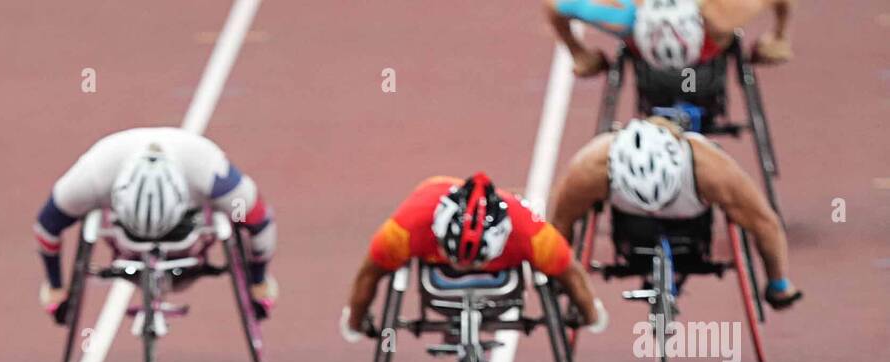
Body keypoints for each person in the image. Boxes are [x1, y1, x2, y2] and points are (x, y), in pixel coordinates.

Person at [548, 117, 801, 309]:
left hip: (692, 232)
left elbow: (765, 223)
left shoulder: (710, 168)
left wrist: (777, 282)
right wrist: (567, 281)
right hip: (631, 234)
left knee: (752, 214)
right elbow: (559, 226)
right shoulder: (589, 168)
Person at [34, 127, 277, 319]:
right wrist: (55, 286)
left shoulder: (211, 173)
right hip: (124, 241)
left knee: (245, 222)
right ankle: (132, 238)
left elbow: (261, 223)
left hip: (189, 234)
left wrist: (258, 280)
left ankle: (175, 237)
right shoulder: (93, 175)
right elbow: (46, 227)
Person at [340, 172, 606, 343]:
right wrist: (357, 320)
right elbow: (369, 274)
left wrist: (589, 314)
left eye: (477, 261)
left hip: (496, 288)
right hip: (438, 265)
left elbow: (571, 274)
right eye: (455, 257)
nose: (465, 268)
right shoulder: (408, 225)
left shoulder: (529, 230)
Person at [544, 0, 796, 76]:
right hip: (710, 40)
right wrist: (778, 38)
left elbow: (554, 7)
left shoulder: (626, 21)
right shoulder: (720, 18)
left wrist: (582, 56)